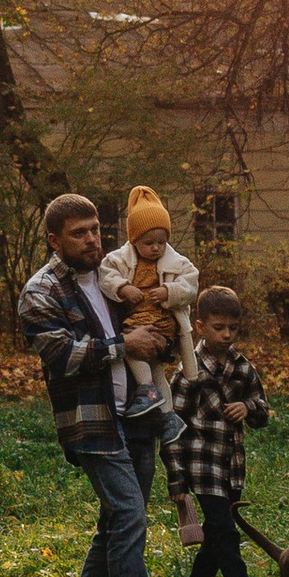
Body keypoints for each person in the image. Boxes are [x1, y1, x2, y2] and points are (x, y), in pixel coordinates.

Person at [17, 187, 176, 577]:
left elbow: (155, 326)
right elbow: (61, 355)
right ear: (54, 239)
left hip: (140, 412)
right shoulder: (41, 291)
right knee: (129, 513)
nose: (91, 240)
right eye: (79, 233)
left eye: (96, 230)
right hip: (92, 420)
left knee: (117, 516)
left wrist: (159, 339)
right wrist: (125, 345)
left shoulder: (116, 277)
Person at [165, 283, 270, 577]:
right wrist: (177, 479)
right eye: (218, 327)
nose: (227, 335)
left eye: (233, 328)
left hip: (232, 465)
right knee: (225, 530)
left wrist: (248, 407)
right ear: (200, 326)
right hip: (201, 466)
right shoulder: (188, 371)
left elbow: (262, 412)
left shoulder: (243, 367)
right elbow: (171, 427)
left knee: (215, 533)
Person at [97, 183, 199, 439]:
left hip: (163, 322)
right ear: (134, 239)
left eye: (161, 242)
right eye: (148, 242)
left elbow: (191, 285)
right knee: (155, 368)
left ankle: (146, 390)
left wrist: (170, 291)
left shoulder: (177, 262)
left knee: (130, 347)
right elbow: (105, 275)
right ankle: (168, 418)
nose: (156, 248)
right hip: (137, 319)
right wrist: (122, 288)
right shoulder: (120, 259)